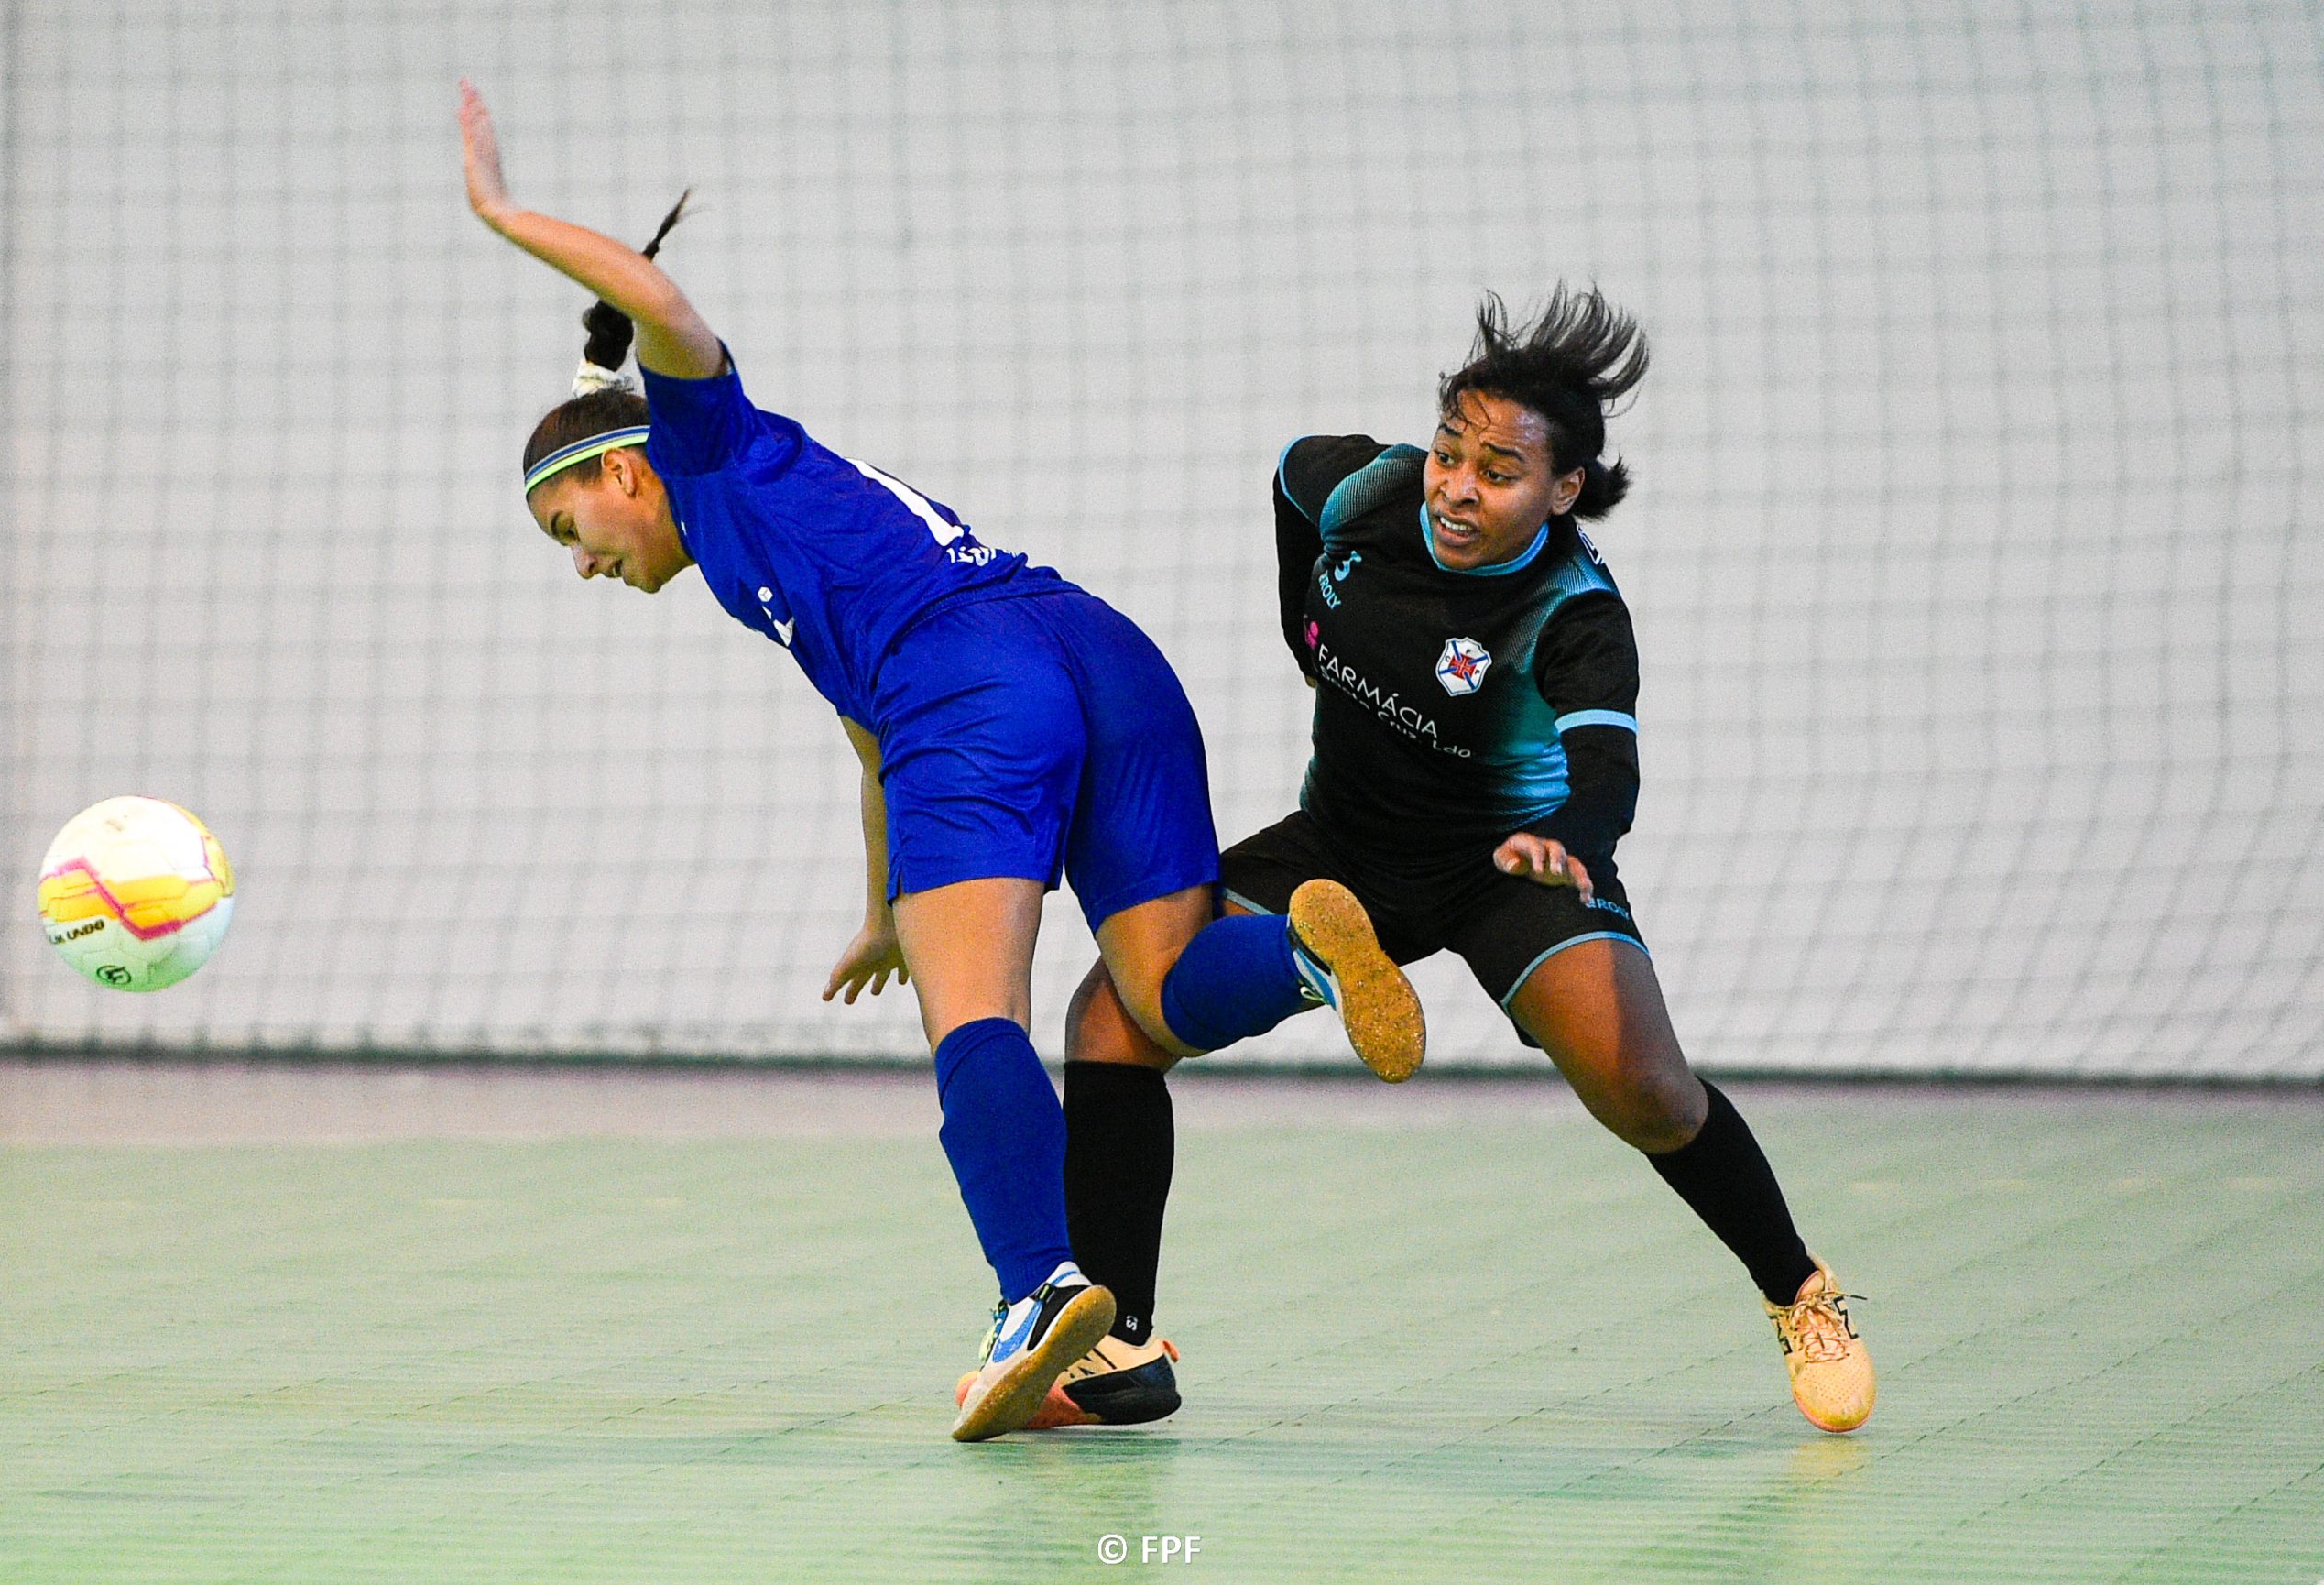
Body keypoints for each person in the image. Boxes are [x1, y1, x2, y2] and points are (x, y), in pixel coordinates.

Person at [455, 82, 1425, 1442]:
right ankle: (1305, 954)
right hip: (1100, 653)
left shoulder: (706, 450)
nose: (581, 565)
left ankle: (1039, 1289)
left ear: (622, 473)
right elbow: (871, 742)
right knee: (1158, 991)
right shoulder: (759, 553)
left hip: (969, 682)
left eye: (570, 529)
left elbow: (661, 308)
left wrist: (500, 212)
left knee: (975, 1014)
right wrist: (882, 908)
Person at [1007, 286, 1876, 1435]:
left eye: (1499, 471)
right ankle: (1120, 1347)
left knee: (1648, 1090)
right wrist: (1305, 622)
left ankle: (1798, 1289)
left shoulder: (1572, 613)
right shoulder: (1366, 491)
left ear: (1564, 489)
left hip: (1508, 866)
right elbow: (1290, 475)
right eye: (1451, 452)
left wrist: (1574, 840)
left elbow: (1606, 772)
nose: (1458, 486)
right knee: (1116, 1013)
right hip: (1340, 849)